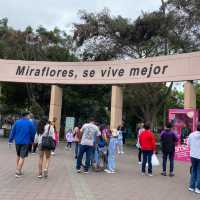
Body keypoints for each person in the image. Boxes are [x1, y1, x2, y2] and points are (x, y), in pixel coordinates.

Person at [8, 111, 35, 178]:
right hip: (25, 142)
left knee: (18, 155)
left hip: (17, 142)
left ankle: (18, 170)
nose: (29, 116)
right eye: (29, 115)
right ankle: (18, 171)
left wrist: (10, 140)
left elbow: (13, 131)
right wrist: (33, 140)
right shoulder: (29, 123)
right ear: (26, 115)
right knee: (22, 157)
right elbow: (33, 133)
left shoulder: (17, 122)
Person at [188, 123, 200, 193]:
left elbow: (188, 144)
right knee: (199, 171)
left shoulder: (191, 134)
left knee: (193, 170)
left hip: (192, 155)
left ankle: (191, 187)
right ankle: (198, 188)